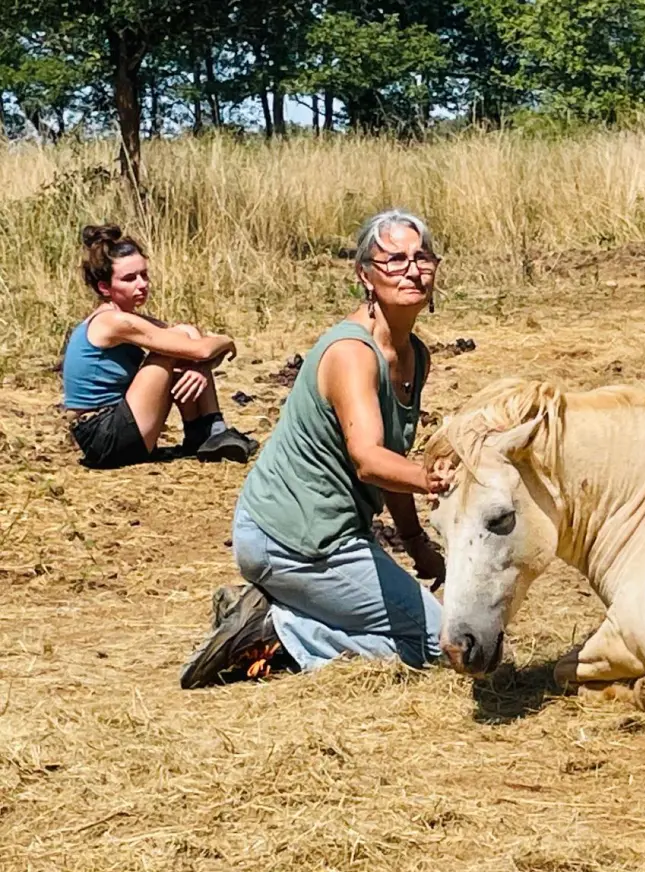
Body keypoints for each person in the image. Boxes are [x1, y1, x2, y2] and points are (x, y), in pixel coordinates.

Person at [180, 208, 452, 689]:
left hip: (334, 535)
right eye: (393, 259)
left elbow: (391, 457)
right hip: (293, 542)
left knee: (436, 629)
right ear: (364, 274)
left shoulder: (415, 355)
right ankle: (278, 629)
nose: (411, 269)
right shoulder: (351, 354)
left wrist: (417, 545)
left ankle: (285, 611)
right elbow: (370, 460)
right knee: (438, 645)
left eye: (421, 257)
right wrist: (434, 481)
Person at [62, 225, 258, 468]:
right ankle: (209, 430)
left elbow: (190, 337)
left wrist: (200, 365)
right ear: (104, 288)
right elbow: (199, 348)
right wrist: (226, 342)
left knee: (180, 338)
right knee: (168, 352)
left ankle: (207, 431)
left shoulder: (126, 319)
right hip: (103, 437)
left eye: (144, 275)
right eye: (129, 279)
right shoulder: (112, 322)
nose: (142, 284)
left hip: (114, 428)